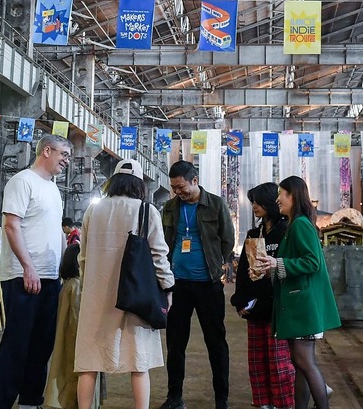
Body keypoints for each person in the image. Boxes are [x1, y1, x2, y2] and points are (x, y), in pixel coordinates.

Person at [75, 159, 174, 409]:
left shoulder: (93, 211)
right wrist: (167, 287)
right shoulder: (146, 210)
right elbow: (158, 255)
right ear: (140, 184)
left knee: (89, 362)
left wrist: (86, 287)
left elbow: (83, 256)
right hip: (135, 295)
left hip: (96, 295)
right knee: (138, 362)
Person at [0, 134, 72, 409]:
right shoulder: (22, 181)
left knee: (41, 346)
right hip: (23, 277)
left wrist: (64, 267)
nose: (66, 161)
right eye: (63, 154)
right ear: (46, 150)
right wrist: (28, 267)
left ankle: (30, 402)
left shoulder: (54, 189)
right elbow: (12, 225)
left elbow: (57, 231)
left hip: (49, 278)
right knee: (17, 346)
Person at [256, 176, 341, 409]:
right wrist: (273, 268)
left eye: (280, 194)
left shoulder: (300, 224)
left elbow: (312, 262)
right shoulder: (297, 224)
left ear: (292, 195)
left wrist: (277, 264)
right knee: (300, 364)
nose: (277, 200)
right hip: (300, 305)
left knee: (305, 362)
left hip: (302, 307)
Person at [159, 161, 236, 409]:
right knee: (175, 343)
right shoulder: (170, 208)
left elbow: (228, 240)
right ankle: (174, 397)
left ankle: (221, 398)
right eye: (173, 188)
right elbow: (164, 241)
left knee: (216, 342)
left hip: (208, 285)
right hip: (178, 285)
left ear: (194, 180)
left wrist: (216, 267)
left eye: (181, 187)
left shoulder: (215, 204)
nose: (177, 192)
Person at [230, 183, 294, 409]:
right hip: (256, 308)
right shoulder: (253, 234)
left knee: (279, 362)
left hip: (279, 307)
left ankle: (283, 403)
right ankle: (263, 402)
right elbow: (244, 275)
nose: (254, 206)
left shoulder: (287, 231)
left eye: (258, 201)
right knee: (257, 361)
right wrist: (239, 300)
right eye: (253, 202)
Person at [44, 243, 85, 409]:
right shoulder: (76, 286)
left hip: (65, 336)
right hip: (74, 339)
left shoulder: (67, 284)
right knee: (72, 374)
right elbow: (76, 318)